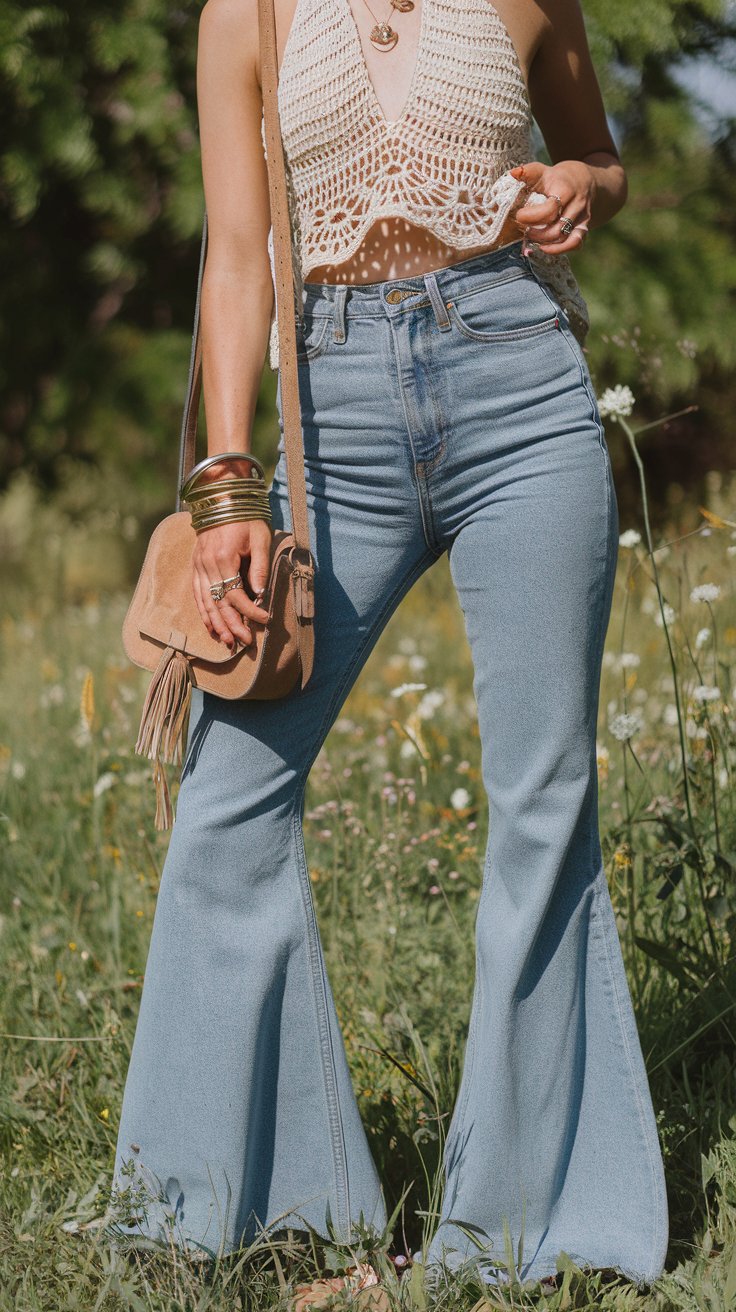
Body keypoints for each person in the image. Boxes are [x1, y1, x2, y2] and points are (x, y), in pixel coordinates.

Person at [108, 0, 669, 1290]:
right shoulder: (245, 13)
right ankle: (225, 1214)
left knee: (544, 801)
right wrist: (228, 492)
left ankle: (524, 1235)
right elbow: (236, 259)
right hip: (334, 409)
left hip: (519, 384)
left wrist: (581, 187)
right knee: (229, 790)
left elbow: (602, 157)